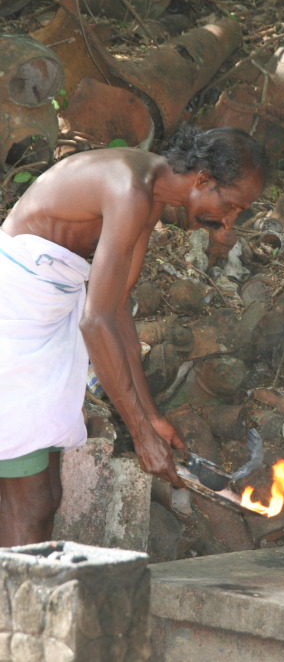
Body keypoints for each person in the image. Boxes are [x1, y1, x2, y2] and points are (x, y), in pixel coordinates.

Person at [0, 124, 267, 547]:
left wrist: (152, 417)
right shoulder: (130, 190)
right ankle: (15, 612)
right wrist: (140, 434)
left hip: (43, 319)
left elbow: (117, 306)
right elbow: (95, 321)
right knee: (28, 502)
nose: (228, 222)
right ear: (202, 180)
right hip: (14, 321)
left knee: (46, 496)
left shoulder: (150, 192)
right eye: (231, 205)